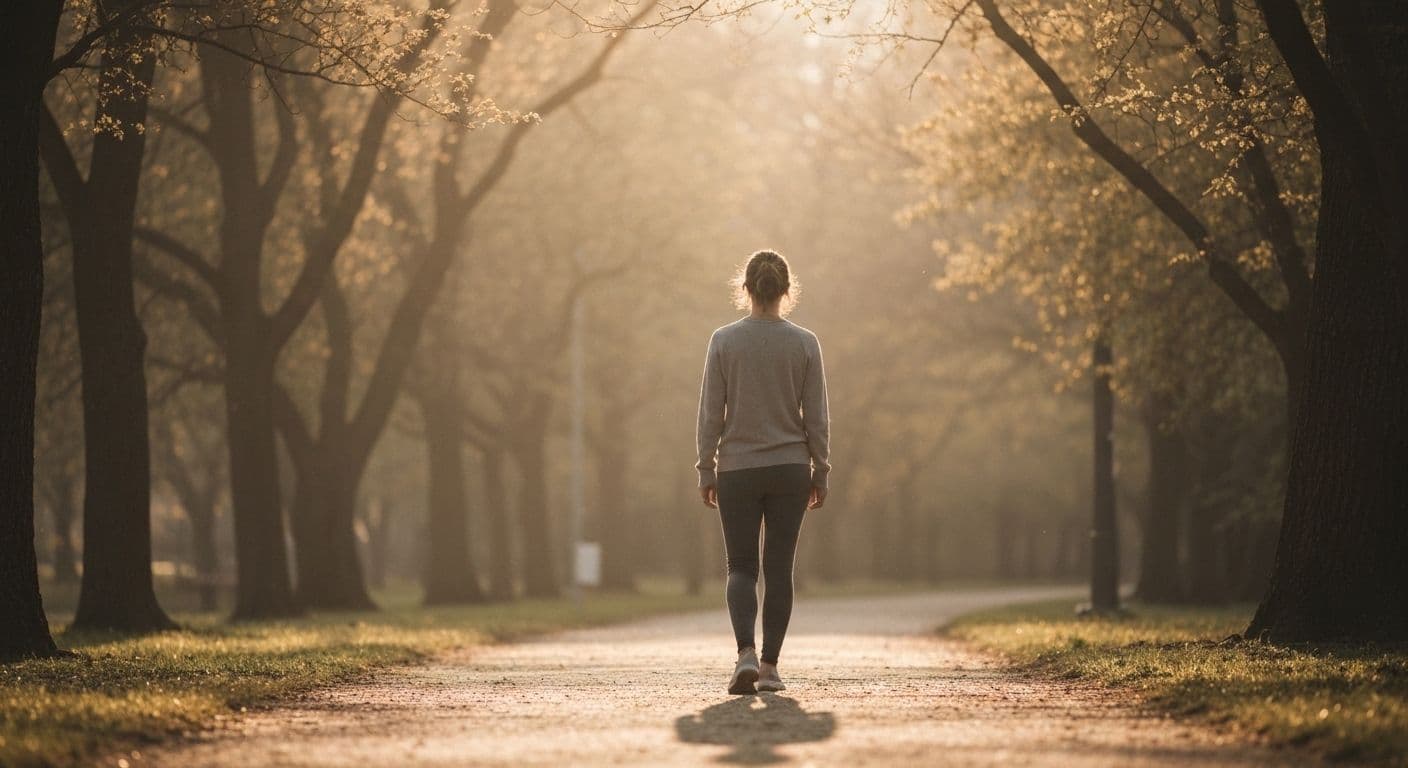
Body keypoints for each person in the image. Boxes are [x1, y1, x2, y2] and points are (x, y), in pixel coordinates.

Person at [695, 249, 830, 695]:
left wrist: (706, 466)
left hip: (737, 469)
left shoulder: (724, 341)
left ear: (746, 288)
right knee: (779, 568)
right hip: (791, 468)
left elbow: (711, 412)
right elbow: (817, 416)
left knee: (741, 567)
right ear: (786, 290)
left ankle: (744, 654)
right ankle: (770, 669)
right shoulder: (805, 343)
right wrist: (821, 468)